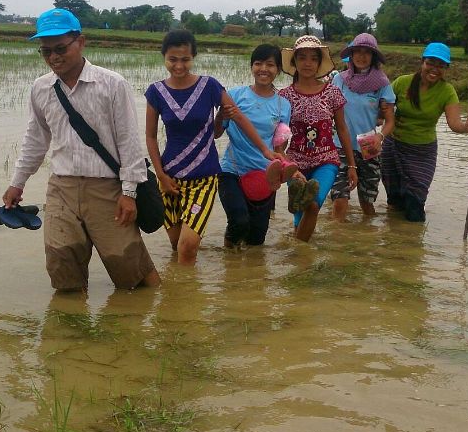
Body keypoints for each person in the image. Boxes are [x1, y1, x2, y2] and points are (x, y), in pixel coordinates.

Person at [2, 8, 160, 291]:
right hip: (61, 188)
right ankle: (70, 330)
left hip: (108, 189)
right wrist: (17, 183)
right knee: (62, 264)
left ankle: (165, 315)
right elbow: (36, 140)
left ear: (81, 42)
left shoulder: (112, 84)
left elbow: (129, 143)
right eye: (46, 51)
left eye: (60, 48)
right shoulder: (41, 88)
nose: (54, 57)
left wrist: (128, 193)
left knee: (130, 268)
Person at [145, 30, 278, 265]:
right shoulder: (156, 92)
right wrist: (161, 176)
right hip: (169, 180)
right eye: (172, 59)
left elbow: (238, 118)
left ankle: (186, 297)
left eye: (185, 59)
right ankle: (180, 297)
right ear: (164, 57)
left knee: (188, 248)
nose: (178, 65)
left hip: (203, 180)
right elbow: (151, 137)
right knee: (176, 248)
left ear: (193, 57)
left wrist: (265, 150)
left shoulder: (210, 86)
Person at [381, 42, 468, 222]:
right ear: (422, 62)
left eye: (441, 66)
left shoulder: (447, 91)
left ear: (446, 68)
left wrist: (467, 127)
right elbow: (383, 113)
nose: (435, 69)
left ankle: (414, 243)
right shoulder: (402, 83)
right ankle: (394, 241)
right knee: (394, 201)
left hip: (422, 152)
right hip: (393, 145)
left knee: (415, 206)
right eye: (431, 63)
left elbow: (454, 124)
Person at [213, 44, 295, 248]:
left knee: (257, 240)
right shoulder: (235, 95)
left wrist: (288, 168)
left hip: (264, 174)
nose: (263, 69)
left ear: (278, 69)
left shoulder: (282, 105)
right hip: (231, 171)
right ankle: (229, 263)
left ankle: (251, 278)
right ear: (251, 66)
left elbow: (279, 148)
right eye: (258, 63)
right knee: (239, 222)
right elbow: (216, 134)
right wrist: (220, 116)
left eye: (270, 65)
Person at [279, 35, 358, 242]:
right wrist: (285, 165)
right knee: (299, 216)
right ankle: (300, 260)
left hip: (326, 160)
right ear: (294, 61)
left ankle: (299, 255)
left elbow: (342, 130)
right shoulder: (284, 96)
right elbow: (281, 138)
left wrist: (351, 165)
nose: (307, 63)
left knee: (312, 204)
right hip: (295, 162)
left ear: (319, 62)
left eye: (313, 58)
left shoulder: (332, 92)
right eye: (302, 57)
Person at [330, 33, 395, 219]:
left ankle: (367, 240)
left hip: (368, 147)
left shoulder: (382, 84)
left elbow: (390, 120)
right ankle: (337, 241)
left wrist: (380, 136)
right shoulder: (339, 80)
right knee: (340, 199)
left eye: (367, 52)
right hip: (340, 146)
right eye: (357, 51)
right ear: (351, 55)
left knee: (367, 202)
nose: (361, 56)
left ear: (374, 56)